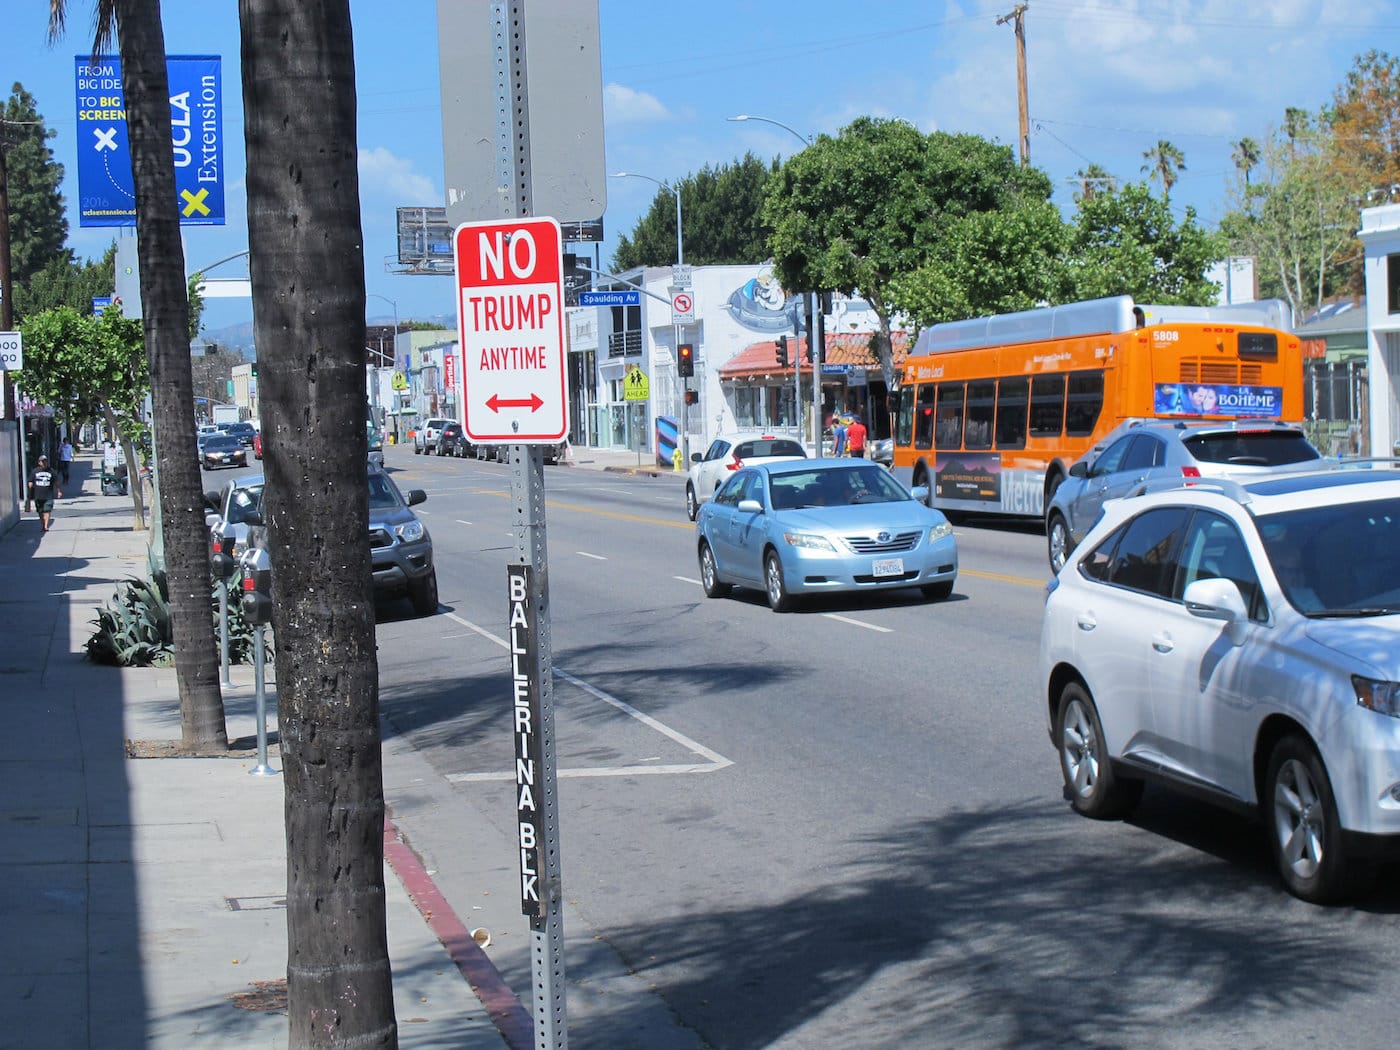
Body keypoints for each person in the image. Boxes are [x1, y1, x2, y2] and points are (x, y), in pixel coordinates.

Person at [28, 454, 61, 533]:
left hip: (48, 495)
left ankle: (46, 526)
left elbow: (56, 481)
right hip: (38, 495)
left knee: (47, 510)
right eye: (42, 461)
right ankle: (43, 523)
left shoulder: (51, 471)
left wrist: (59, 491)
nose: (44, 463)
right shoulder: (35, 471)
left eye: (45, 461)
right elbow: (30, 480)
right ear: (39, 462)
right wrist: (30, 486)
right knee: (40, 511)